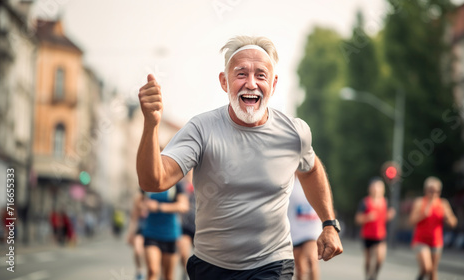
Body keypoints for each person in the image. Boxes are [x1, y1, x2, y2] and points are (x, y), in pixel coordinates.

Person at [137, 35, 343, 280]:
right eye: (241, 74)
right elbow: (153, 181)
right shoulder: (201, 129)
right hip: (211, 265)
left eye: (261, 75)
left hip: (272, 262)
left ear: (273, 84)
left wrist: (329, 223)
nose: (251, 84)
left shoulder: (294, 132)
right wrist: (151, 124)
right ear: (225, 81)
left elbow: (310, 169)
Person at [409, 176, 457, 280]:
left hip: (436, 241)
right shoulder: (420, 202)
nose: (434, 193)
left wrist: (448, 217)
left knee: (433, 271)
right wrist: (423, 215)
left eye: (437, 191)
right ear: (425, 190)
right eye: (431, 190)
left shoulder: (443, 203)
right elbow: (411, 221)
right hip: (420, 240)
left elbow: (453, 223)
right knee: (426, 268)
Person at [142, 183, 189, 280]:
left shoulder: (176, 184)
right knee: (152, 271)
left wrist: (159, 207)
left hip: (170, 235)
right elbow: (138, 202)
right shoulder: (147, 181)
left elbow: (183, 206)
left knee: (168, 276)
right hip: (151, 233)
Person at [355, 177, 396, 280]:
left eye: (379, 187)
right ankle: (368, 276)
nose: (376, 189)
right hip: (367, 235)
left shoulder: (386, 202)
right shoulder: (365, 202)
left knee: (379, 259)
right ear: (370, 189)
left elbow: (388, 215)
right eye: (374, 187)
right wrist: (367, 217)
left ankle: (374, 276)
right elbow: (357, 219)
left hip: (380, 235)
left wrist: (390, 215)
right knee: (368, 261)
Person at [287, 177, 322, 280]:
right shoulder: (289, 182)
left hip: (312, 229)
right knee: (300, 269)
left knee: (311, 259)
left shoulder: (315, 180)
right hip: (294, 230)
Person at [176, 172, 196, 280]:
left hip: (201, 226)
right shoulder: (180, 185)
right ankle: (186, 272)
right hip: (185, 226)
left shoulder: (203, 181)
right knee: (184, 253)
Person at [127, 189, 149, 280]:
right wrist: (130, 233)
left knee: (149, 255)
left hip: (153, 229)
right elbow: (134, 217)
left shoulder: (157, 197)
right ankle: (139, 270)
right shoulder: (139, 199)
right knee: (137, 250)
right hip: (140, 229)